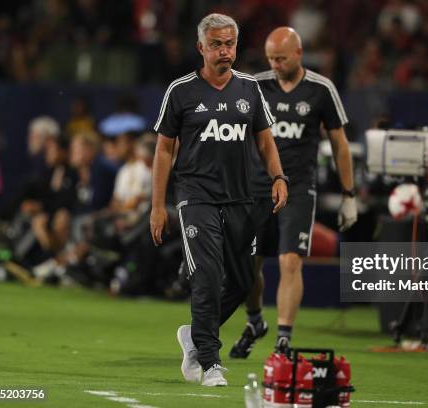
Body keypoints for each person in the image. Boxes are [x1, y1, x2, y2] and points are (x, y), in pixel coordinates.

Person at [150, 13, 288, 387]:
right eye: (216, 44)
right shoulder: (180, 91)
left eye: (229, 43)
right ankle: (210, 362)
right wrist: (157, 205)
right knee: (208, 276)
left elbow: (264, 140)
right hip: (196, 197)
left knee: (244, 282)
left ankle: (192, 335)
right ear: (201, 47)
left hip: (243, 198)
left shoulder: (248, 89)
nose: (224, 50)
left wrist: (278, 176)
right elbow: (163, 151)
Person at [228, 27, 357, 359]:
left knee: (289, 262)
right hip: (257, 189)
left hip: (298, 188)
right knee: (248, 267)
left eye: (281, 58)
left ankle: (284, 337)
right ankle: (255, 322)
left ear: (299, 53)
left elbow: (340, 146)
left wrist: (349, 195)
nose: (275, 64)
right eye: (271, 58)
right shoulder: (254, 86)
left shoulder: (320, 89)